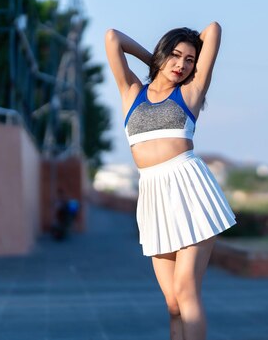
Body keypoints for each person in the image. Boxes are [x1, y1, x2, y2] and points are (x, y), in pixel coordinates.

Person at [105, 22, 237, 340]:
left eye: (189, 60)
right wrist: (155, 59)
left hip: (191, 191)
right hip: (153, 197)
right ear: (164, 54)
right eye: (175, 56)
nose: (181, 65)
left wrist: (187, 51)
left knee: (186, 289)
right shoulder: (132, 92)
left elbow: (213, 30)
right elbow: (113, 38)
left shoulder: (190, 93)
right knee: (173, 303)